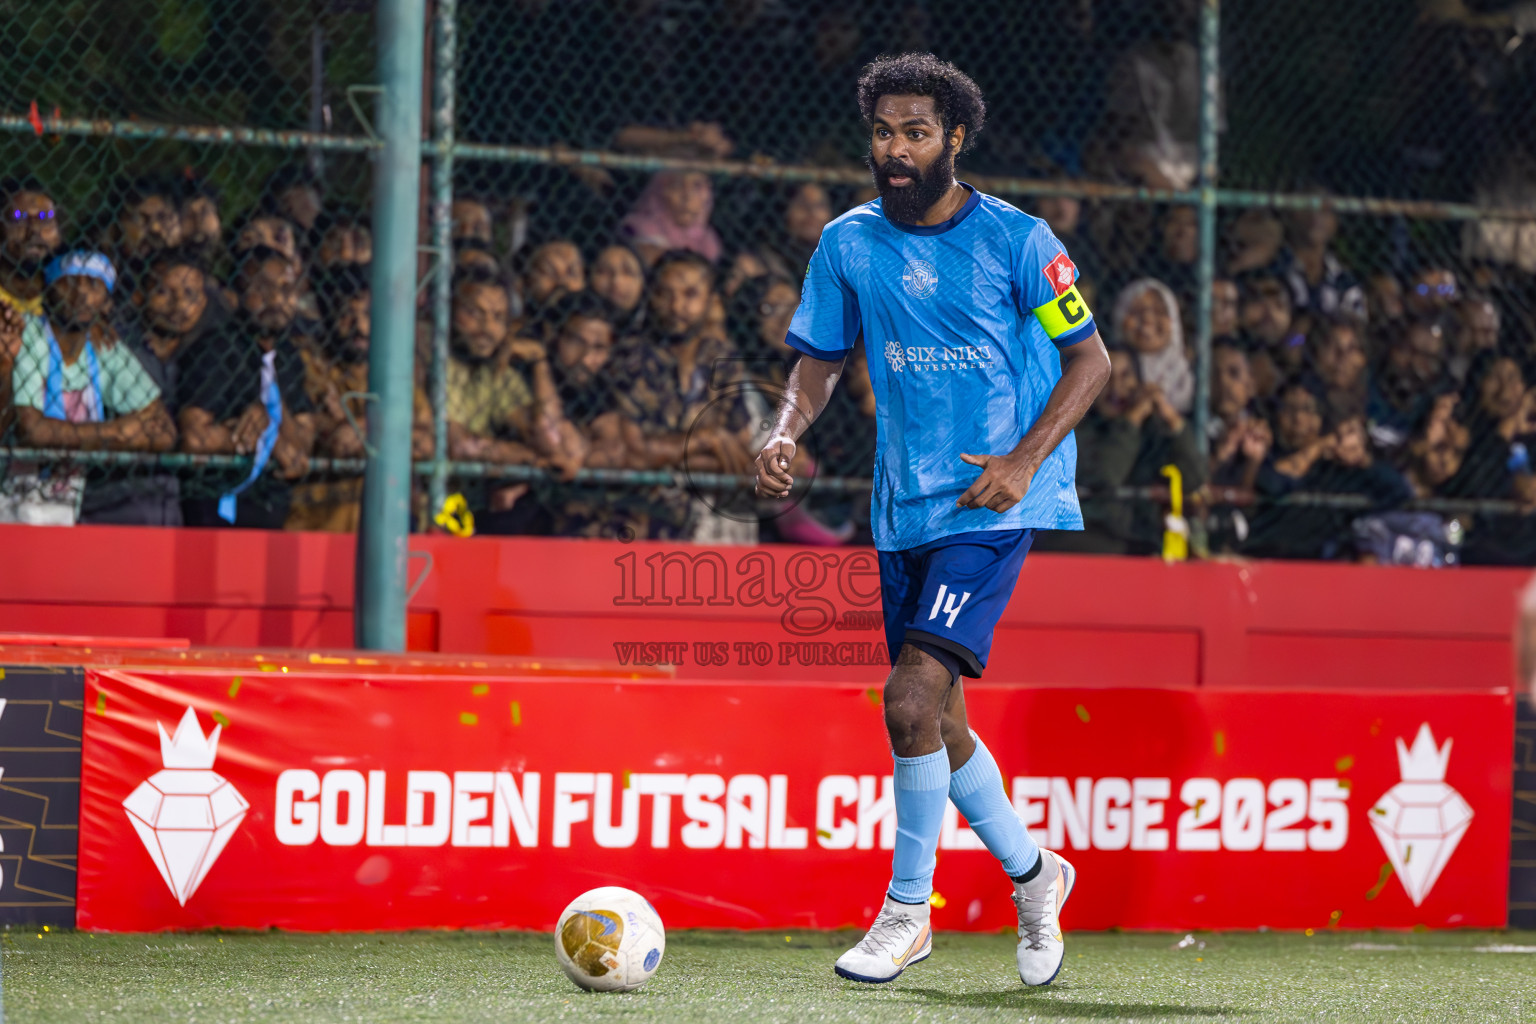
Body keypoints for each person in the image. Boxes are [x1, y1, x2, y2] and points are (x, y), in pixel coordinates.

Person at [752, 54, 1109, 987]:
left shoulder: (1023, 242)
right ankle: (1037, 877)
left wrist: (1025, 461)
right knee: (939, 721)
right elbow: (820, 359)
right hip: (900, 506)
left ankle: (909, 912)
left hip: (993, 501)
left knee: (907, 699)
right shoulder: (847, 242)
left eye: (916, 131)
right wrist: (786, 428)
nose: (896, 148)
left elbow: (1091, 363)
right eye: (883, 131)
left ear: (954, 138)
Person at [5, 251, 176, 525]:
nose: (81, 295)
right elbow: (33, 431)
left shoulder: (104, 346)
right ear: (47, 290)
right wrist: (117, 432)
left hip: (65, 505)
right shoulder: (29, 334)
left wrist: (70, 436)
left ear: (107, 303)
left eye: (94, 285)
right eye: (70, 282)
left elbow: (164, 431)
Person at [287, 264, 433, 532]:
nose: (361, 327)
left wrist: (361, 426)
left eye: (369, 314)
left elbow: (425, 443)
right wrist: (390, 431)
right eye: (346, 315)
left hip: (388, 522)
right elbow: (334, 440)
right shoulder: (307, 363)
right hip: (318, 520)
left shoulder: (396, 372)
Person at [177, 246, 315, 528]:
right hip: (216, 507)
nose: (276, 299)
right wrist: (250, 439)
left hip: (271, 507)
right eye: (261, 288)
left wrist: (272, 424)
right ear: (237, 293)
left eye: (286, 289)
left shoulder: (289, 356)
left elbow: (302, 442)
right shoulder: (218, 349)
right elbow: (194, 438)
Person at [1111, 277, 1193, 414]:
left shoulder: (1192, 371)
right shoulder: (1108, 368)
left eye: (1159, 312)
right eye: (1136, 312)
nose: (1147, 320)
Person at [617, 171, 722, 266]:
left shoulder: (708, 239)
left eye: (697, 186)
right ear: (659, 192)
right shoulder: (640, 227)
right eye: (677, 186)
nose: (687, 196)